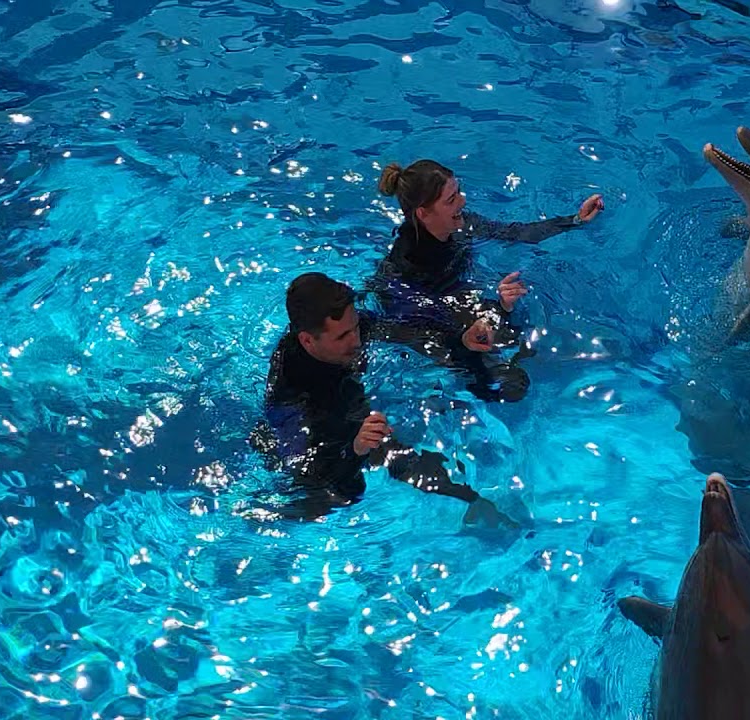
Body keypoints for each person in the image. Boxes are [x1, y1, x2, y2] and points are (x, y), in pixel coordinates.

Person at [248, 271, 513, 526]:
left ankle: (473, 499)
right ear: (307, 341)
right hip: (321, 431)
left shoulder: (350, 326)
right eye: (343, 336)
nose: (356, 340)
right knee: (341, 495)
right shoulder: (291, 396)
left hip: (347, 394)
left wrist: (462, 339)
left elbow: (413, 333)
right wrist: (355, 449)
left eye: (355, 328)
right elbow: (313, 471)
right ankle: (471, 500)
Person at [368, 158, 604, 402]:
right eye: (451, 199)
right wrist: (463, 338)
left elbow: (517, 233)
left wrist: (575, 220)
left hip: (457, 299)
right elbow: (410, 326)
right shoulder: (404, 267)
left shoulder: (463, 224)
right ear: (423, 213)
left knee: (519, 343)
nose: (463, 201)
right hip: (423, 321)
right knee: (509, 386)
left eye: (458, 192)